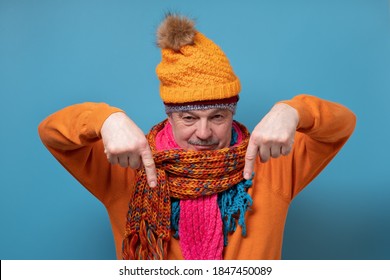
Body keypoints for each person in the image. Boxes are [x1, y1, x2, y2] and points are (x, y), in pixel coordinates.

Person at [38, 14, 356, 260]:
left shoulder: (270, 162)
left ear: (232, 113)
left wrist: (293, 110)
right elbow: (51, 133)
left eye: (217, 117)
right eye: (188, 118)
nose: (203, 133)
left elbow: (341, 126)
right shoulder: (127, 165)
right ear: (169, 115)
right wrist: (106, 119)